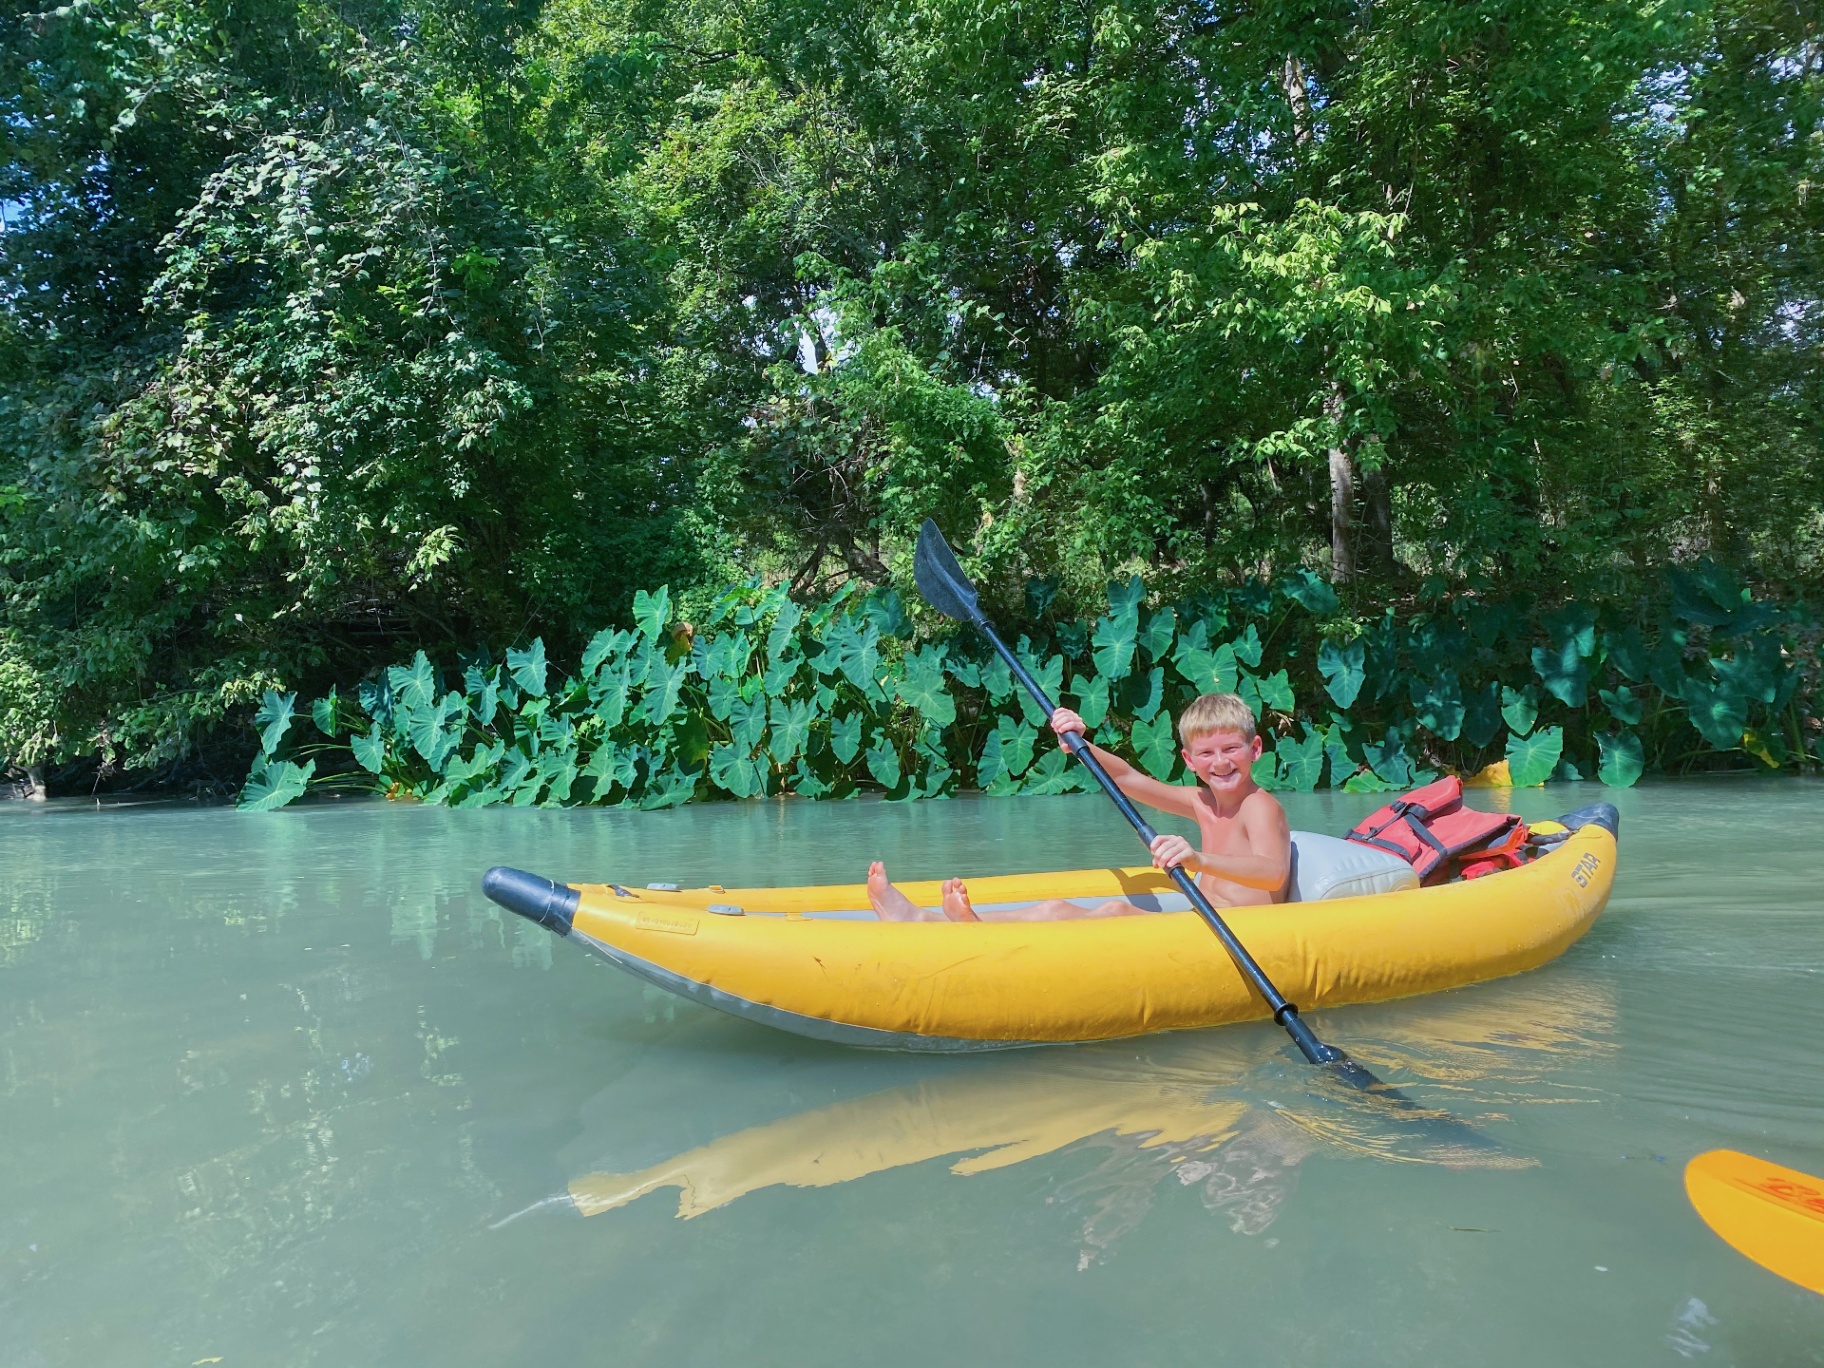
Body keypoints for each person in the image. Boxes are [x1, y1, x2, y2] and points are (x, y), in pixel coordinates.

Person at [868, 692, 1292, 922]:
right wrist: (1080, 744)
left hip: (1246, 930)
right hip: (1205, 916)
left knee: (1113, 911)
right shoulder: (1203, 802)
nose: (1219, 763)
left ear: (1254, 749)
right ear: (1188, 760)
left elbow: (1273, 872)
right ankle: (928, 921)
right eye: (1206, 753)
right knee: (1054, 907)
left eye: (1231, 749)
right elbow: (1128, 780)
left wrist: (1198, 858)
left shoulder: (1260, 807)